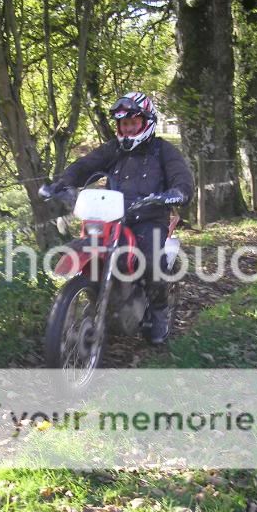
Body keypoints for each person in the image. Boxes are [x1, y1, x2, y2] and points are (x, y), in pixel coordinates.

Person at [40, 92, 194, 344]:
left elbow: (181, 175)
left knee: (150, 261)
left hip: (149, 216)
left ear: (146, 123)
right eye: (124, 124)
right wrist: (63, 183)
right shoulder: (114, 149)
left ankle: (159, 313)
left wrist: (178, 192)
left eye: (133, 123)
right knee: (83, 245)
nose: (128, 129)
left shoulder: (163, 151)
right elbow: (86, 165)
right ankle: (90, 296)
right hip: (110, 216)